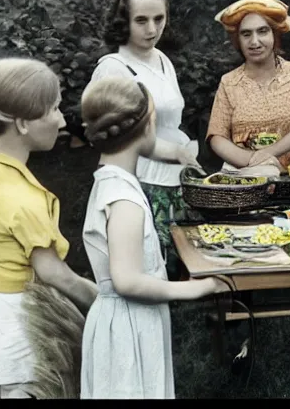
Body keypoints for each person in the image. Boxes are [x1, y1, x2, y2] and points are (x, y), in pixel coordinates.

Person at [79, 76, 225, 399]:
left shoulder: (111, 181)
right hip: (129, 328)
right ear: (148, 127)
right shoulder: (124, 199)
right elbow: (128, 281)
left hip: (128, 321)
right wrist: (196, 287)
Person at [0, 58, 98, 398]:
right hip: (15, 313)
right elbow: (54, 273)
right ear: (22, 124)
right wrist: (104, 301)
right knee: (25, 383)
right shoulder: (24, 200)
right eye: (53, 109)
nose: (62, 119)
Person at [89, 0, 200, 281]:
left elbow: (170, 121)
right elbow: (115, 140)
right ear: (122, 19)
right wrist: (177, 151)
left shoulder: (163, 60)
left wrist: (183, 154)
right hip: (140, 183)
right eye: (141, 20)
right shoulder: (113, 68)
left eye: (159, 18)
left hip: (173, 181)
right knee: (146, 273)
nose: (153, 29)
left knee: (179, 269)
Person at [207, 0, 290, 175]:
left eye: (262, 31)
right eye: (246, 34)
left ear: (274, 34)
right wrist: (251, 162)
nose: (255, 42)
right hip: (243, 174)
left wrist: (268, 154)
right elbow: (216, 136)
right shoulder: (229, 82)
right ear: (237, 40)